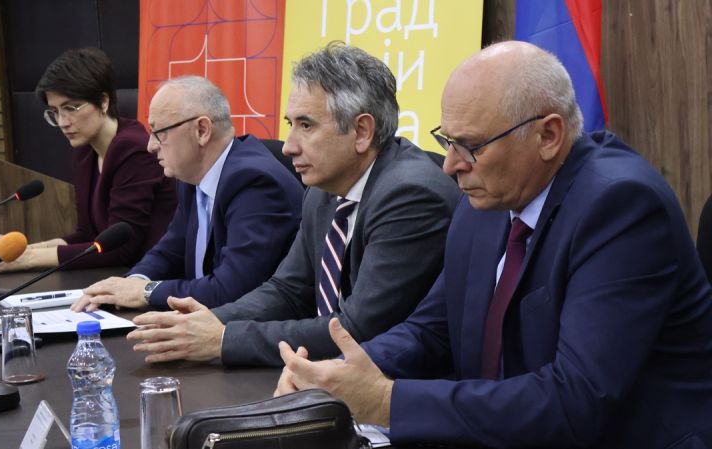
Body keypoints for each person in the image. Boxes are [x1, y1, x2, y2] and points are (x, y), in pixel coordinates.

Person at [275, 41, 712, 449]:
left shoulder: (620, 208)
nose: (449, 166)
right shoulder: (488, 198)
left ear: (548, 136)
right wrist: (341, 373)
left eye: (470, 146)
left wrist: (388, 401)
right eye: (447, 141)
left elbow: (577, 399)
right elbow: (434, 328)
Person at [125, 42, 461, 366]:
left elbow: (356, 330)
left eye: (306, 125)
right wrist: (208, 322)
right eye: (291, 124)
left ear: (361, 131)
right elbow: (287, 290)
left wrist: (224, 339)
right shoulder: (324, 188)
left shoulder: (410, 195)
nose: (288, 147)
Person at [70, 76, 304, 311]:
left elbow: (231, 290)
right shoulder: (191, 177)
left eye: (159, 132)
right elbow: (169, 251)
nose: (150, 146)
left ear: (202, 130)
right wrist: (132, 283)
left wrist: (145, 292)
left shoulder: (254, 184)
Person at [0, 47, 176, 270]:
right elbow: (87, 235)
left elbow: (120, 249)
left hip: (154, 277)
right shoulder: (85, 151)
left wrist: (27, 259)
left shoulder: (133, 149)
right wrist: (18, 251)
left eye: (71, 108)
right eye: (55, 112)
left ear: (103, 101)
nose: (63, 122)